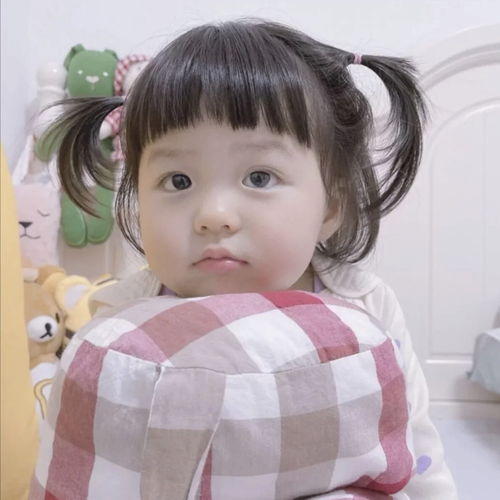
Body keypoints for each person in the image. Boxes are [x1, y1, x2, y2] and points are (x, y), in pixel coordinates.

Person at [31, 18, 457, 499]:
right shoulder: (124, 321)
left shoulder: (366, 306)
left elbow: (412, 446)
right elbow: (85, 453)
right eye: (178, 181)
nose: (214, 215)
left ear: (331, 205)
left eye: (259, 177)